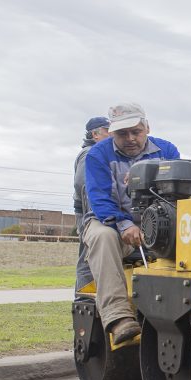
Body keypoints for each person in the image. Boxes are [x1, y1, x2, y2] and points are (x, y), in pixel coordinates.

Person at [82, 103, 180, 343]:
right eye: (122, 133)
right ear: (111, 132)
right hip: (111, 223)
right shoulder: (98, 155)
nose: (130, 138)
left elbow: (179, 191)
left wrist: (146, 171)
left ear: (147, 127)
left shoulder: (166, 150)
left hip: (159, 225)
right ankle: (118, 317)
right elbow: (100, 199)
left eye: (136, 131)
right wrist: (124, 225)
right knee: (102, 237)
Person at [74, 117, 111, 290]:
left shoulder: (100, 153)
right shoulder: (89, 153)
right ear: (95, 134)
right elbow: (84, 185)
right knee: (88, 258)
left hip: (95, 212)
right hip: (89, 213)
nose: (113, 134)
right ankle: (83, 300)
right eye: (108, 130)